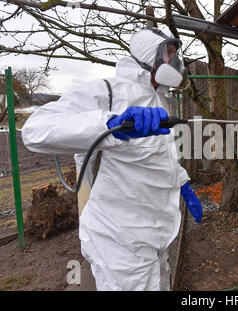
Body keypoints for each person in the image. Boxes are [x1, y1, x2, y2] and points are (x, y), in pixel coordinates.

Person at [21, 27, 202, 291]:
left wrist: (183, 184)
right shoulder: (107, 92)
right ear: (146, 55)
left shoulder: (159, 100)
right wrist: (111, 125)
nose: (175, 61)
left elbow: (159, 156)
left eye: (176, 53)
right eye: (169, 52)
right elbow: (36, 130)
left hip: (155, 234)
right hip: (119, 241)